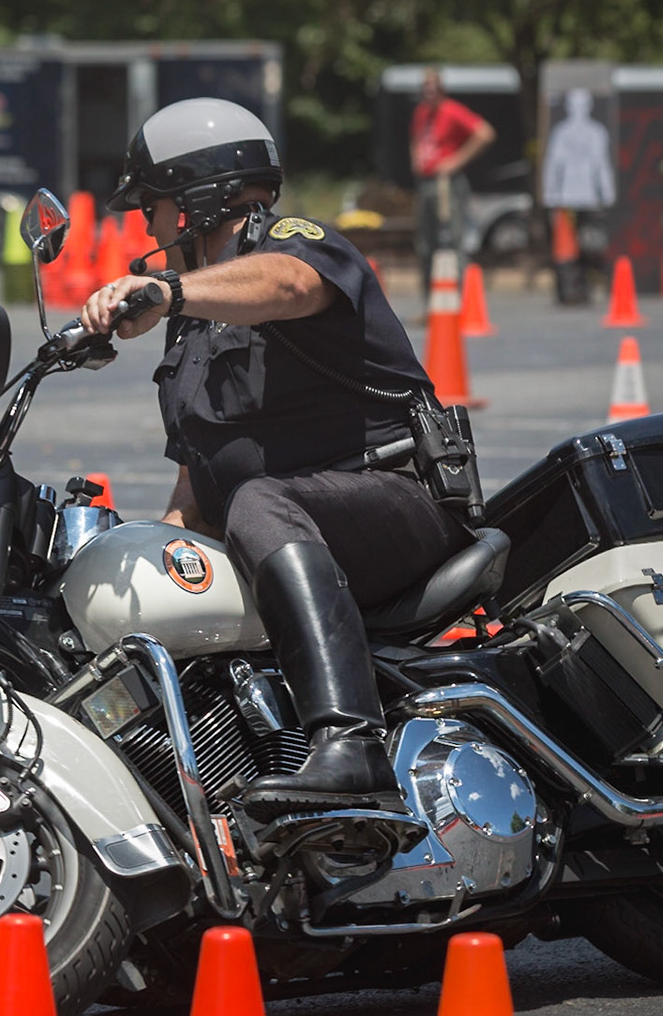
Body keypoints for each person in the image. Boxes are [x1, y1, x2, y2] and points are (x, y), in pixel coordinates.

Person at [86, 97, 474, 824]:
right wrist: (149, 562)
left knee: (259, 500)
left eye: (153, 206)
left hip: (394, 501)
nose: (148, 228)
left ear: (198, 200)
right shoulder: (192, 324)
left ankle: (352, 742)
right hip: (290, 536)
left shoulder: (296, 246)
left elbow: (289, 285)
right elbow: (194, 486)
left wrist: (169, 291)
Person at [410, 67, 497, 301]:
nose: (428, 93)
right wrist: (416, 159)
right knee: (425, 243)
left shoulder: (451, 110)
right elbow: (416, 139)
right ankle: (431, 303)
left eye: (433, 89)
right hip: (426, 182)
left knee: (452, 238)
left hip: (446, 182)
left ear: (441, 90)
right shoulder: (421, 112)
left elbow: (485, 133)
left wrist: (456, 161)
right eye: (425, 89)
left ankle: (461, 299)